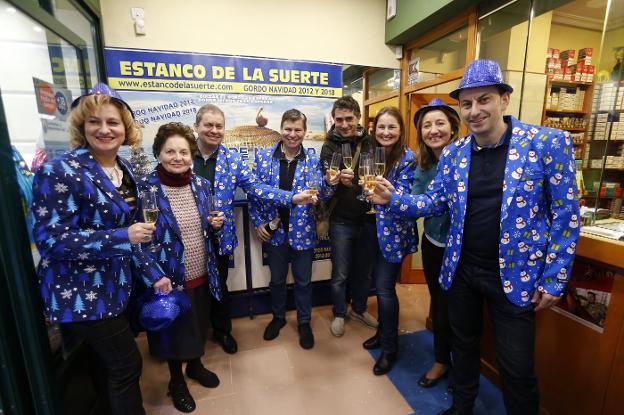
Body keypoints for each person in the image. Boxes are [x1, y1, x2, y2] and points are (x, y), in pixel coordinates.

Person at [371, 59, 580, 415]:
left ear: (505, 99)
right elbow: (432, 202)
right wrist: (393, 199)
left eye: (484, 100)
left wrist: (555, 277)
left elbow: (566, 213)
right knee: (463, 347)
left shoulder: (547, 142)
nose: (475, 110)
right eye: (467, 104)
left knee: (516, 367)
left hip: (516, 277)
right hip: (462, 270)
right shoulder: (454, 154)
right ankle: (461, 407)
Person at [31, 83, 171, 415]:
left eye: (113, 122)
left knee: (105, 365)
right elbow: (51, 241)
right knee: (126, 365)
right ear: (81, 126)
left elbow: (135, 234)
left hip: (116, 288)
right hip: (80, 293)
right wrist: (122, 236)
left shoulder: (123, 172)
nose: (105, 130)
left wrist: (154, 275)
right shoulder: (58, 171)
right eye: (95, 122)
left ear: (126, 129)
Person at [192, 104, 314, 354]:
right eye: (208, 125)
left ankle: (223, 332)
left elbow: (258, 189)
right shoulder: (183, 156)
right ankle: (191, 340)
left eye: (219, 126)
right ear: (196, 127)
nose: (214, 130)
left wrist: (291, 198)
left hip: (219, 235)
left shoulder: (231, 160)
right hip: (188, 237)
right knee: (190, 288)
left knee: (221, 286)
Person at [137, 122, 223, 413]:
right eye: (170, 151)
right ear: (158, 153)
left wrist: (215, 224)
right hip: (167, 278)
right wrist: (153, 275)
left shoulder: (201, 184)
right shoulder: (146, 188)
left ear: (192, 154)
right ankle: (176, 382)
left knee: (199, 323)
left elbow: (207, 224)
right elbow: (137, 240)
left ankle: (195, 367)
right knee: (174, 332)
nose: (178, 157)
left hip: (201, 270)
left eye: (184, 152)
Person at [249, 109, 329, 349]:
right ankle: (278, 317)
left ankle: (304, 322)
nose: (292, 134)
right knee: (277, 280)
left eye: (298, 130)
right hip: (274, 232)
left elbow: (322, 195)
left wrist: (329, 186)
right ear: (281, 128)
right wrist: (257, 222)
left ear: (304, 132)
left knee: (304, 282)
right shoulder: (263, 157)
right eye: (288, 129)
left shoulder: (313, 160)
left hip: (303, 232)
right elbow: (255, 193)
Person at [359, 107, 417, 375]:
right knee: (376, 282)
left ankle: (390, 349)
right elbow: (365, 188)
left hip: (393, 232)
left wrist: (392, 192)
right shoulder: (371, 153)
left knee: (384, 289)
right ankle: (383, 334)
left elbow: (411, 195)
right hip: (371, 228)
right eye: (381, 127)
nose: (385, 132)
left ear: (400, 130)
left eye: (391, 127)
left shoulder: (409, 157)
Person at [411, 99, 461, 388]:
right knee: (440, 306)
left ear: (453, 128)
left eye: (440, 123)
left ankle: (464, 367)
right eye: (427, 125)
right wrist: (396, 198)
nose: (433, 130)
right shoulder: (424, 164)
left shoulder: (468, 159)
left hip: (464, 248)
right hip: (433, 243)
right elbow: (418, 201)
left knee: (462, 309)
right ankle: (442, 360)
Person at [320, 95, 378, 337]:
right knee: (340, 274)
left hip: (369, 218)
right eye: (339, 119)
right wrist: (332, 179)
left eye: (349, 119)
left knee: (364, 271)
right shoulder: (328, 145)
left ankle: (360, 308)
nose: (343, 125)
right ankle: (339, 313)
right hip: (341, 220)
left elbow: (377, 171)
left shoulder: (371, 142)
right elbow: (327, 175)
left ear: (358, 117)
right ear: (334, 119)